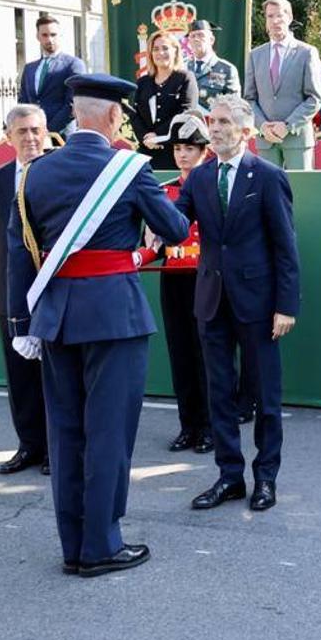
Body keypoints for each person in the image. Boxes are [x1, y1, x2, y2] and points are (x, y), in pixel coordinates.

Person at [6, 73, 189, 578]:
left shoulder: (35, 172)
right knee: (108, 432)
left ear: (72, 115)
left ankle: (73, 544)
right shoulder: (128, 169)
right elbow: (174, 229)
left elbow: (20, 251)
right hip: (113, 315)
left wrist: (21, 322)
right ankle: (101, 545)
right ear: (113, 117)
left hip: (56, 315)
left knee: (66, 433)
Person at [172, 94, 300, 512]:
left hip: (259, 304)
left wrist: (286, 306)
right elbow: (176, 222)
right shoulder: (200, 177)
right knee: (220, 393)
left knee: (266, 394)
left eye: (225, 122)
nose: (217, 127)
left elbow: (285, 248)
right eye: (214, 120)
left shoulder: (267, 176)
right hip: (211, 300)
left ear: (245, 131)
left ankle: (266, 478)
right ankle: (229, 477)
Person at [0, 105, 50, 476]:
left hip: (54, 292)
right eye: (22, 131)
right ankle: (29, 446)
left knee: (55, 376)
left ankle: (56, 449)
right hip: (8, 294)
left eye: (36, 130)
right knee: (19, 377)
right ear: (8, 137)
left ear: (47, 132)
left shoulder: (60, 175)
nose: (30, 138)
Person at [134, 113, 214, 455]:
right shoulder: (163, 192)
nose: (182, 154)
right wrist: (135, 259)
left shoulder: (214, 187)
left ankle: (211, 427)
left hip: (207, 279)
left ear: (203, 151)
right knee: (180, 353)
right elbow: (153, 245)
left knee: (208, 356)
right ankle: (188, 427)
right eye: (178, 148)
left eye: (190, 148)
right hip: (173, 278)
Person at [243, 0, 321, 170]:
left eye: (279, 16)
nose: (275, 21)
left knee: (300, 192)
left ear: (289, 18)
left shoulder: (307, 52)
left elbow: (314, 99)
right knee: (268, 194)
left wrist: (288, 126)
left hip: (296, 139)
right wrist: (262, 125)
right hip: (266, 140)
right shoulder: (255, 55)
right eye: (270, 16)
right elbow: (249, 99)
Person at [129, 31, 198, 172]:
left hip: (175, 154)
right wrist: (145, 138)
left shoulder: (185, 78)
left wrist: (158, 136)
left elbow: (186, 112)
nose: (160, 53)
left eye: (165, 48)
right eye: (156, 49)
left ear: (175, 51)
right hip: (146, 153)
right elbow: (134, 114)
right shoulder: (143, 82)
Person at [18, 15, 88, 137]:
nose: (49, 39)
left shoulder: (73, 64)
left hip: (61, 136)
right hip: (33, 137)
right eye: (45, 35)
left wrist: (47, 131)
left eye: (53, 35)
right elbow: (23, 102)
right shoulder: (29, 68)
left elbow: (73, 103)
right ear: (38, 37)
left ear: (60, 35)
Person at [187, 19, 241, 111]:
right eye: (192, 36)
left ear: (211, 40)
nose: (196, 39)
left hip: (213, 122)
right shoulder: (183, 67)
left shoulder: (227, 69)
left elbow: (233, 107)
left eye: (200, 35)